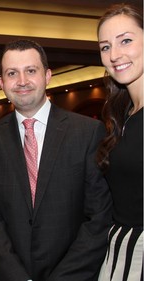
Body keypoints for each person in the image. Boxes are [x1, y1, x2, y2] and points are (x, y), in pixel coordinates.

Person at [0, 39, 113, 281]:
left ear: (47, 75)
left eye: (31, 70)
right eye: (12, 73)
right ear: (2, 83)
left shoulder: (88, 132)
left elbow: (98, 218)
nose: (22, 81)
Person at [96, 4, 143, 281]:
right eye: (105, 47)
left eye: (126, 40)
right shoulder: (122, 112)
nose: (114, 55)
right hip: (117, 252)